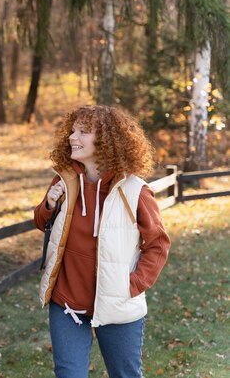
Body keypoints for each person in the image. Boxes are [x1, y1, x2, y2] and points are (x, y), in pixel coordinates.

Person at [34, 105, 171, 378]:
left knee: (125, 374)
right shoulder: (66, 180)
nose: (73, 137)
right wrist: (49, 203)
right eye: (73, 131)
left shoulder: (135, 191)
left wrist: (132, 285)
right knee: (68, 373)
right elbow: (41, 222)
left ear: (107, 140)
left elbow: (158, 244)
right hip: (67, 303)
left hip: (117, 302)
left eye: (83, 132)